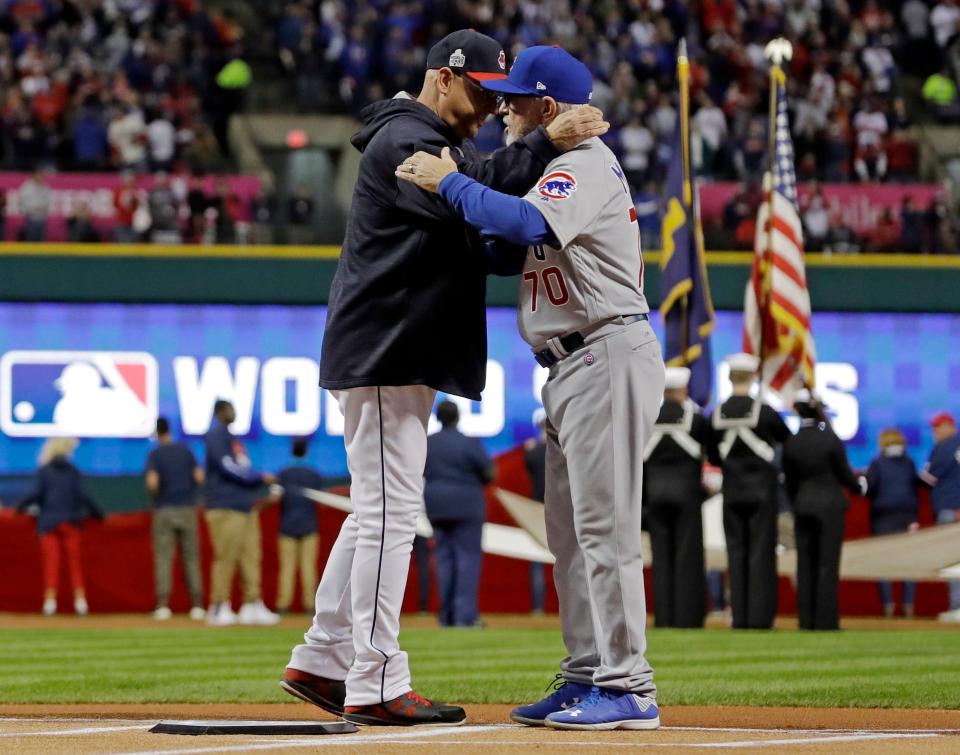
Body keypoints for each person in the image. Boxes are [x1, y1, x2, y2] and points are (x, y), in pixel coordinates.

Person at [281, 29, 605, 728]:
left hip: (392, 350)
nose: (492, 106)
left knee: (378, 512)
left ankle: (323, 654)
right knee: (392, 516)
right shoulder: (405, 138)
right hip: (384, 351)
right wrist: (545, 144)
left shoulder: (424, 137)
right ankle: (374, 678)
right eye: (483, 90)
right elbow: (478, 187)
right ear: (443, 79)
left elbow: (476, 230)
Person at [397, 45, 664, 731]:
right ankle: (586, 673)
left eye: (517, 98)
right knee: (570, 538)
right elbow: (502, 247)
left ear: (547, 107)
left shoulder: (582, 164)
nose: (504, 107)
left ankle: (628, 684)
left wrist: (447, 181)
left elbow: (526, 223)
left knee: (604, 532)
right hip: (572, 363)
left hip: (606, 349)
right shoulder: (549, 163)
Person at [712, 353, 791, 630]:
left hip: (731, 492)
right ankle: (759, 619)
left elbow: (712, 455)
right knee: (760, 554)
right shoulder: (766, 412)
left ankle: (740, 617)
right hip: (762, 494)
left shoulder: (718, 412)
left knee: (736, 554)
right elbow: (786, 442)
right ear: (754, 376)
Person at [782, 391, 864, 631]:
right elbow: (845, 475)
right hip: (829, 507)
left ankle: (806, 621)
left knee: (805, 564)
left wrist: (798, 500)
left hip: (802, 505)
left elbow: (789, 480)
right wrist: (860, 486)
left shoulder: (792, 441)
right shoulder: (829, 438)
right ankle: (826, 621)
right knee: (827, 564)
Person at [644, 367, 711, 629]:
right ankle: (686, 618)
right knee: (687, 557)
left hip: (655, 498)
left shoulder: (648, 419)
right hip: (687, 498)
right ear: (683, 390)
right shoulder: (695, 420)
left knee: (661, 559)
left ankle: (664, 616)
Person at [204, 399, 278, 626]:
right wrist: (259, 477)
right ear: (220, 412)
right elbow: (229, 467)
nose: (234, 412)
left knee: (250, 557)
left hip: (245, 506)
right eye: (230, 409)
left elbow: (242, 466)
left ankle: (252, 604)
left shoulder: (233, 439)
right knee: (226, 556)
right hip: (225, 506)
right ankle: (218, 606)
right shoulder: (216, 435)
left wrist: (257, 479)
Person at [424, 400, 494, 627]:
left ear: (438, 418)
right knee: (467, 559)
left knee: (443, 559)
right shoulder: (468, 443)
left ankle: (446, 617)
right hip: (467, 504)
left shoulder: (428, 443)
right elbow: (489, 472)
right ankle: (465, 617)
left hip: (436, 505)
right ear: (457, 418)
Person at [17, 438, 104, 616]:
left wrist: (19, 508)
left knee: (51, 563)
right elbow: (83, 496)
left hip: (49, 523)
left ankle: (50, 603)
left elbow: (35, 494)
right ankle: (80, 603)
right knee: (74, 564)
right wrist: (99, 514)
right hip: (70, 523)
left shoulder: (45, 471)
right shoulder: (73, 471)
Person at [145, 417, 206, 621]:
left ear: (157, 432)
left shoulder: (155, 454)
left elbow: (153, 483)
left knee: (164, 559)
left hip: (164, 510)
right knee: (191, 558)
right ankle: (197, 605)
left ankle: (163, 605)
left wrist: (157, 496)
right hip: (187, 509)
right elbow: (199, 477)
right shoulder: (185, 450)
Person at [865, 428, 920, 618]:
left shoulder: (877, 463)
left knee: (884, 564)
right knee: (910, 564)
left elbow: (869, 488)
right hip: (908, 517)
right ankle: (908, 607)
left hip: (883, 518)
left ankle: (888, 607)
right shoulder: (909, 462)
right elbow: (916, 485)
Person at [270, 438, 325, 615]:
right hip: (309, 526)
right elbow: (321, 502)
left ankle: (283, 606)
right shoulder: (314, 474)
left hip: (287, 526)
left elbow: (275, 498)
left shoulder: (283, 474)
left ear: (291, 451)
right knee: (308, 568)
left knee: (287, 568)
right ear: (306, 451)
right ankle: (310, 606)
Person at [920, 411, 960, 622]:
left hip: (949, 510)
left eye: (937, 428)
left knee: (952, 561)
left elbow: (927, 479)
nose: (935, 432)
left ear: (949, 426)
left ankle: (957, 607)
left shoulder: (943, 447)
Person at [523, 408, 548, 615]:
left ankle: (538, 607)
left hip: (537, 508)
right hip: (563, 508)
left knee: (537, 560)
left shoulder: (533, 452)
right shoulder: (563, 450)